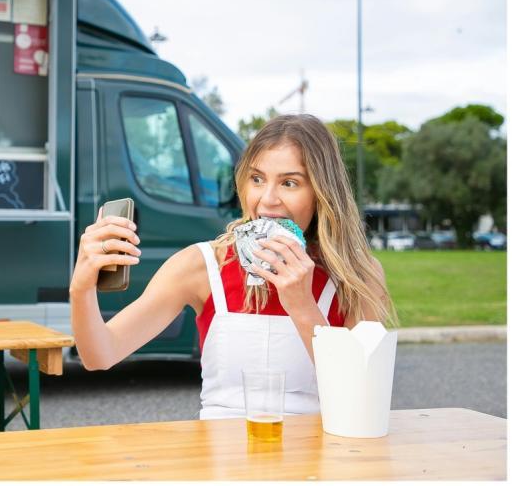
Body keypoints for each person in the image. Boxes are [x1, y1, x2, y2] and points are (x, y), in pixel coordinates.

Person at [70, 114, 397, 419]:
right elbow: (100, 354)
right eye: (257, 178)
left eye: (290, 183)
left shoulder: (359, 275)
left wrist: (301, 304)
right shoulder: (200, 264)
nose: (267, 199)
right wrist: (81, 288)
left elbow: (361, 399)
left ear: (322, 194)